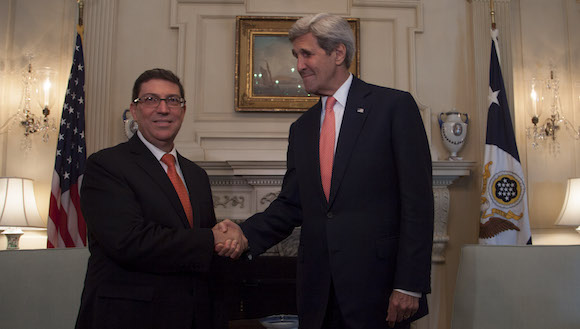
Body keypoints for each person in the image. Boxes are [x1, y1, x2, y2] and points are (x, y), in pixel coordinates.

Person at [219, 13, 434, 329]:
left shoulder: (393, 107)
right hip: (318, 293)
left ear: (338, 53)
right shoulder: (302, 128)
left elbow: (418, 204)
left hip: (378, 291)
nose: (299, 65)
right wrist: (244, 233)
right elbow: (291, 204)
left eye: (306, 54)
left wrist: (408, 284)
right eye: (296, 56)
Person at [75, 68, 246, 329]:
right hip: (127, 317)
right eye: (151, 99)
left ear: (183, 111)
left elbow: (203, 254)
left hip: (192, 316)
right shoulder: (106, 165)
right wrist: (213, 238)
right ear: (134, 111)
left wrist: (237, 242)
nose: (163, 109)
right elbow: (129, 241)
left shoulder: (196, 175)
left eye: (173, 100)